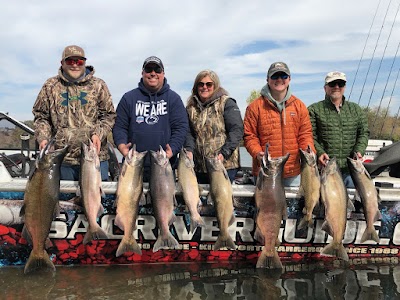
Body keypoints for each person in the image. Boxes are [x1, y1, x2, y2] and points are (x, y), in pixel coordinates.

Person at [32, 45, 116, 181]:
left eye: (79, 61)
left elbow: (108, 115)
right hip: (62, 160)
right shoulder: (50, 86)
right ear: (62, 63)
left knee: (95, 200)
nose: (75, 65)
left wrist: (98, 134)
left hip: (94, 157)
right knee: (64, 201)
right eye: (70, 61)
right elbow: (41, 116)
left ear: (84, 63)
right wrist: (43, 137)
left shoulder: (98, 85)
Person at [113, 56, 188, 181]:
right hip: (133, 165)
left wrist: (172, 149)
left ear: (163, 73)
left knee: (163, 201)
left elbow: (180, 128)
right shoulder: (128, 98)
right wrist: (122, 147)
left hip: (164, 165)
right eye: (148, 69)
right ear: (142, 73)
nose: (153, 73)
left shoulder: (174, 99)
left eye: (157, 70)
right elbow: (119, 127)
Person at [243, 62, 315, 186]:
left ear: (289, 79)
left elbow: (305, 134)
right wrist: (257, 153)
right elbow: (249, 136)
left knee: (295, 205)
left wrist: (309, 150)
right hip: (265, 172)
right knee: (265, 206)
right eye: (275, 76)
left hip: (293, 173)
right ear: (267, 79)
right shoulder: (254, 107)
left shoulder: (300, 106)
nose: (279, 80)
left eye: (283, 76)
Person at [308, 71, 369, 187]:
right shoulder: (314, 109)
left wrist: (359, 150)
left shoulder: (356, 109)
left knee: (353, 203)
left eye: (340, 84)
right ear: (325, 88)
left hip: (350, 171)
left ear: (344, 87)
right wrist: (320, 152)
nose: (336, 87)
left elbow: (363, 133)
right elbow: (310, 135)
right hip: (325, 171)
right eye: (332, 84)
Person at [184, 70, 244, 183]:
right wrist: (189, 151)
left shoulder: (227, 103)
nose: (204, 87)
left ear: (215, 85)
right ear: (196, 87)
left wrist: (224, 153)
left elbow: (237, 130)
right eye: (201, 84)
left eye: (209, 84)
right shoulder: (190, 108)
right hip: (199, 167)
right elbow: (189, 134)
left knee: (221, 200)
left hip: (224, 165)